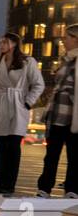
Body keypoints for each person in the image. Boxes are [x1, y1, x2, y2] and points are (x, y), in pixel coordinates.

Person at [0, 32, 44, 194]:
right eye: (0, 42)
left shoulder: (28, 61)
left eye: (4, 42)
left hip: (17, 105)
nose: (1, 45)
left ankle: (9, 183)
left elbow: (38, 84)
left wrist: (27, 102)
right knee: (1, 146)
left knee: (13, 145)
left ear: (14, 43)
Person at [37, 23, 78, 197]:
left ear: (76, 39)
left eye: (67, 37)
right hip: (57, 114)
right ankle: (44, 188)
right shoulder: (65, 60)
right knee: (51, 155)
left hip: (73, 116)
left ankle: (73, 189)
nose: (63, 40)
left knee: (74, 156)